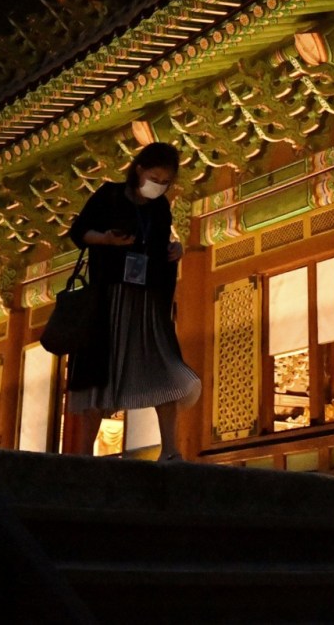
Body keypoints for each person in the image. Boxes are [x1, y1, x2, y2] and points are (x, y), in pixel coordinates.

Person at [66, 141, 200, 461]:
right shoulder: (109, 196)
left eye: (166, 181)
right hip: (109, 296)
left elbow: (162, 241)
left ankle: (169, 449)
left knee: (163, 366)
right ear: (139, 170)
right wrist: (107, 241)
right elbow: (79, 232)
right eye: (155, 177)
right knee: (101, 372)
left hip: (146, 299)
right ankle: (84, 453)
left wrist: (175, 249)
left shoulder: (160, 207)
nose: (160, 185)